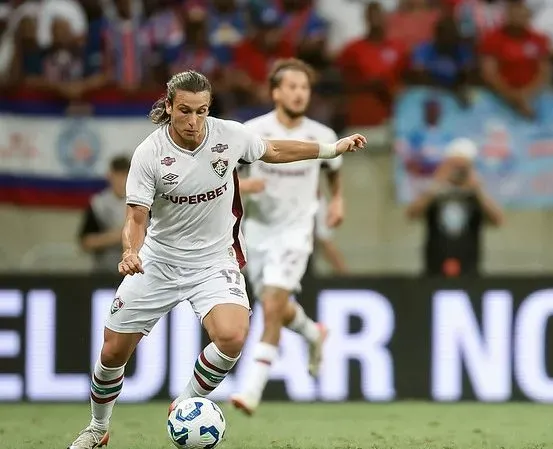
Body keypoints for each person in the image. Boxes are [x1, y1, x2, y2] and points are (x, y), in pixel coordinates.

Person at [67, 69, 366, 449]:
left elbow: (273, 150)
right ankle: (98, 427)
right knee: (112, 351)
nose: (193, 122)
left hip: (214, 261)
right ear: (169, 107)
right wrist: (130, 251)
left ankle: (185, 402)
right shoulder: (150, 154)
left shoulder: (228, 136)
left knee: (232, 336)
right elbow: (136, 217)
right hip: (158, 260)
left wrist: (330, 149)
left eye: (201, 111)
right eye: (185, 111)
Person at [229, 58, 345, 415]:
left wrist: (337, 200)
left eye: (304, 88)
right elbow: (223, 178)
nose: (298, 94)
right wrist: (247, 185)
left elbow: (333, 171)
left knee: (273, 306)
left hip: (297, 231)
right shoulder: (252, 132)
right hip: (258, 232)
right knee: (275, 307)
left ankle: (251, 390)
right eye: (291, 87)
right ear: (276, 92)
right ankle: (313, 332)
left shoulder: (322, 135)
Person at [406, 137, 503, 277]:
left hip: (469, 271)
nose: (458, 171)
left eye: (462, 167)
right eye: (454, 166)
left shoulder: (475, 195)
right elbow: (412, 214)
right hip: (433, 271)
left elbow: (497, 220)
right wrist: (437, 182)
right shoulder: (435, 193)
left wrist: (477, 189)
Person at [78, 156, 129, 272]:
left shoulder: (143, 202)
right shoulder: (98, 204)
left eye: (124, 175)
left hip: (136, 272)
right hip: (105, 271)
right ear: (110, 176)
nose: (121, 181)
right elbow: (86, 242)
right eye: (118, 175)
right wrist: (116, 237)